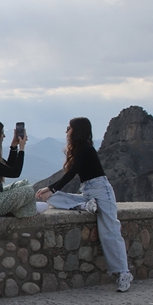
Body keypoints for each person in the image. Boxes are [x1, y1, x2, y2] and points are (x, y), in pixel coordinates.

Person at [37, 117, 133, 292]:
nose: (66, 131)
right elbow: (71, 174)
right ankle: (85, 206)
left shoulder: (86, 149)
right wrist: (49, 191)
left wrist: (52, 187)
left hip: (101, 192)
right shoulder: (80, 149)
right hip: (88, 193)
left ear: (77, 130)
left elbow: (72, 173)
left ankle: (123, 273)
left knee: (109, 231)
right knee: (51, 198)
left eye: (69, 128)